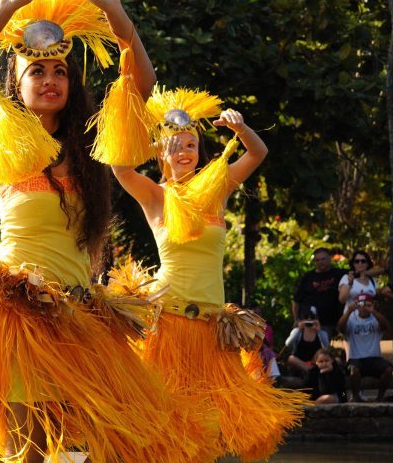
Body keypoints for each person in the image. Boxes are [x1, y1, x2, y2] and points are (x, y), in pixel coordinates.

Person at [0, 0, 219, 463]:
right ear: (16, 83)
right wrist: (2, 11)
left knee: (103, 444)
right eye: (37, 73)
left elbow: (139, 86)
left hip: (80, 315)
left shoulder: (90, 148)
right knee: (31, 451)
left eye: (60, 71)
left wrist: (118, 16)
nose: (50, 80)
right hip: (18, 314)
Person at [108, 86, 308, 460]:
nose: (184, 152)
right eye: (176, 146)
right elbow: (119, 167)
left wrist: (241, 127)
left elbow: (258, 152)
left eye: (191, 145)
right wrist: (157, 145)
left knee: (212, 428)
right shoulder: (155, 196)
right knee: (167, 426)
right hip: (169, 324)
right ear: (162, 152)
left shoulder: (218, 190)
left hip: (214, 331)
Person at [338, 293, 393, 402]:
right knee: (353, 370)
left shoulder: (375, 319)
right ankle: (356, 396)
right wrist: (349, 311)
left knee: (388, 370)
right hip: (355, 359)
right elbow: (340, 328)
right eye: (360, 304)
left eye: (367, 304)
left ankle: (380, 396)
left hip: (374, 358)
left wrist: (373, 311)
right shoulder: (351, 319)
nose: (363, 307)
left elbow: (385, 326)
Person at [292, 248, 345, 337]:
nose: (320, 262)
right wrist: (296, 319)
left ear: (330, 258)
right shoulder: (307, 277)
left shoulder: (339, 273)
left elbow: (360, 273)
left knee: (323, 350)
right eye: (317, 260)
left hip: (329, 323)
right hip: (308, 322)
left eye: (323, 259)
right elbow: (296, 301)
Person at [285, 306, 330, 377]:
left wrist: (319, 331)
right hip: (299, 363)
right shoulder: (297, 332)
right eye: (306, 317)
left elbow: (326, 348)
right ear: (302, 319)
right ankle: (312, 372)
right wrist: (299, 329)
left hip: (316, 362)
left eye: (312, 318)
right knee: (291, 359)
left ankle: (312, 372)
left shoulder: (322, 333)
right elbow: (287, 344)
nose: (309, 320)